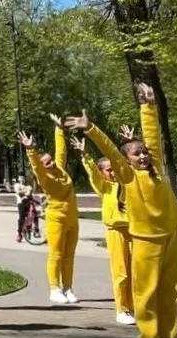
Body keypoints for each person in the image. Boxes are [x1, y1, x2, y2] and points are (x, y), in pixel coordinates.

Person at [69, 83, 177, 338]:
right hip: (145, 238)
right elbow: (110, 150)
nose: (144, 156)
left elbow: (153, 136)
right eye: (137, 154)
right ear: (127, 160)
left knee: (171, 290)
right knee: (145, 290)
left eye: (144, 152)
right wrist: (91, 129)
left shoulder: (156, 168)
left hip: (170, 234)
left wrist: (148, 105)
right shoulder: (126, 176)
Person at [73, 135, 135, 325]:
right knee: (121, 272)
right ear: (103, 173)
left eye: (114, 168)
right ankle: (122, 309)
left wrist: (128, 143)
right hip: (116, 231)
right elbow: (92, 173)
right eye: (109, 170)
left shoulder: (127, 183)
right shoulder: (104, 187)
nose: (113, 172)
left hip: (133, 231)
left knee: (137, 272)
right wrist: (85, 154)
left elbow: (128, 164)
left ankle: (135, 306)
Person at [21, 116, 80, 305]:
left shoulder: (60, 170)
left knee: (69, 255)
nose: (52, 163)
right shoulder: (44, 178)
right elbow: (37, 167)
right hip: (56, 218)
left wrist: (58, 128)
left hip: (72, 217)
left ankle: (68, 287)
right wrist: (31, 149)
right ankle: (54, 288)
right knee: (56, 254)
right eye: (47, 163)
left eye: (51, 161)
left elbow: (61, 152)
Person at [13, 175, 35, 242]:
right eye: (20, 178)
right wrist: (26, 191)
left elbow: (29, 194)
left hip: (28, 202)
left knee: (32, 216)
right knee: (21, 218)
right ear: (18, 179)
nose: (22, 179)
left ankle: (34, 230)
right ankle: (19, 234)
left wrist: (24, 192)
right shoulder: (17, 185)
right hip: (21, 203)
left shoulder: (28, 186)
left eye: (23, 178)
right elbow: (18, 192)